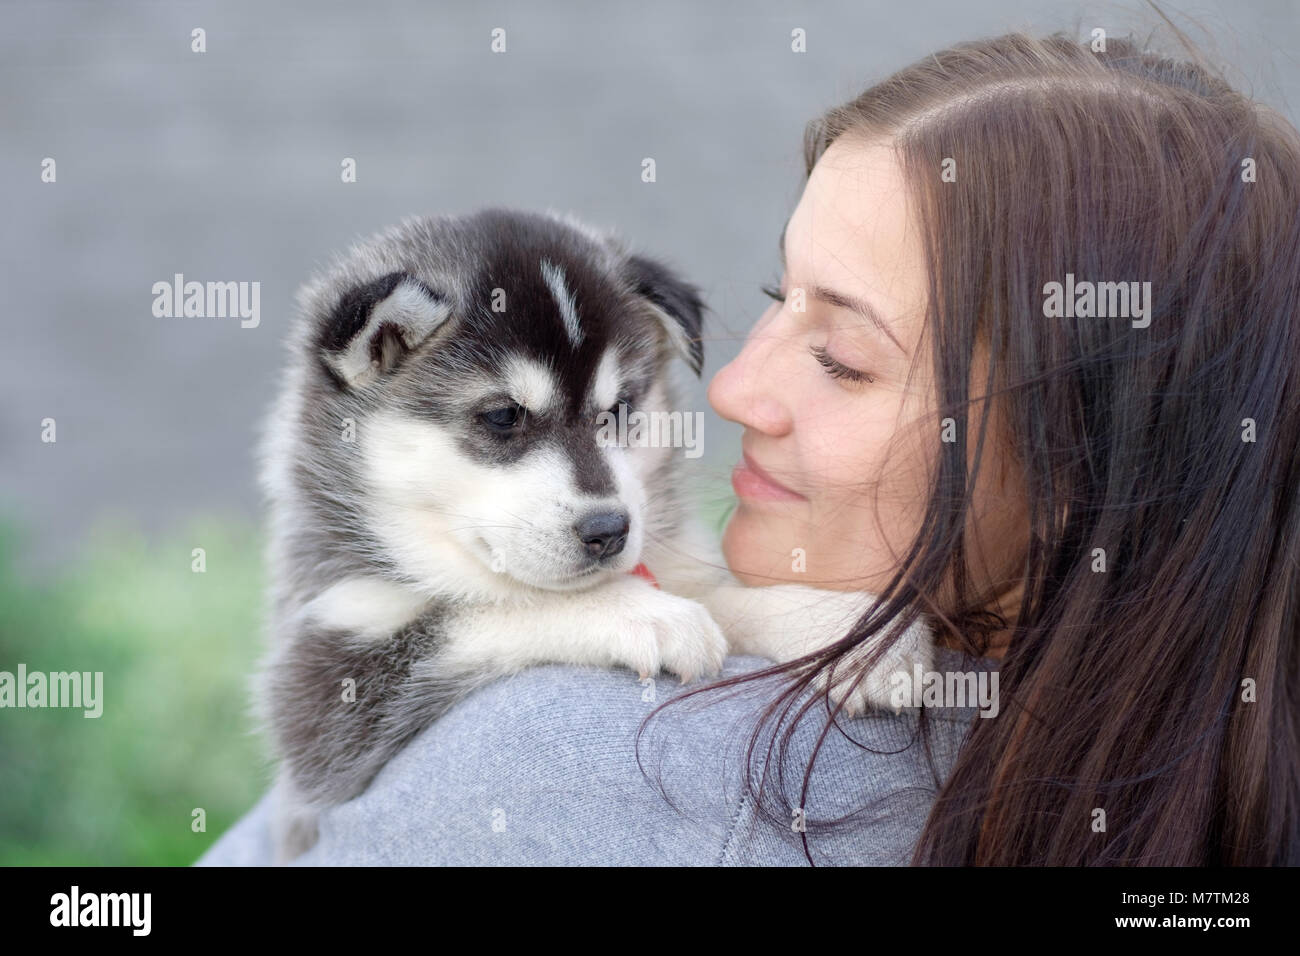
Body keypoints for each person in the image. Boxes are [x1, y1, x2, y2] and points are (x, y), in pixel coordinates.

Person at [199, 29, 1300, 866]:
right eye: (780, 298)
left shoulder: (626, 770)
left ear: (1081, 465)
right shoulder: (1221, 748)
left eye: (844, 358)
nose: (731, 388)